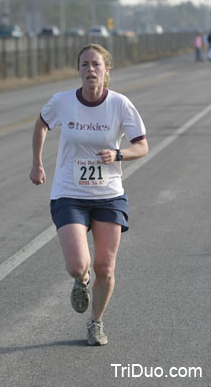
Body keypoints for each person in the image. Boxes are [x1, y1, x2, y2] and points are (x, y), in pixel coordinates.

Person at [30, 43, 148, 346]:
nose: (90, 70)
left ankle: (95, 323)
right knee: (77, 265)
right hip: (69, 193)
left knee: (105, 267)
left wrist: (119, 154)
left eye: (96, 64)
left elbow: (142, 145)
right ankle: (80, 281)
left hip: (108, 195)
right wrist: (37, 163)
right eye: (84, 65)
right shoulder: (63, 101)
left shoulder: (120, 104)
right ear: (79, 70)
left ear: (106, 71)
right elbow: (42, 124)